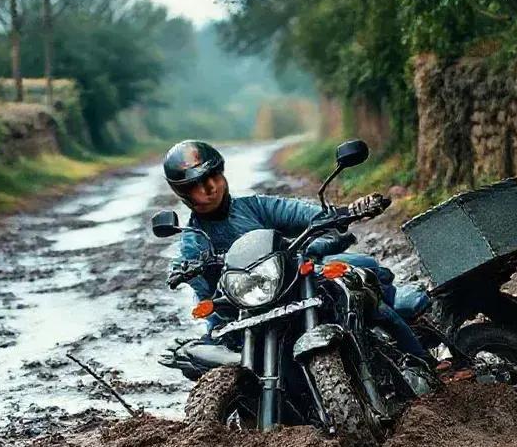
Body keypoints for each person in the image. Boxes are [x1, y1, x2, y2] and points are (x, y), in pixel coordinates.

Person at [162, 140, 430, 362]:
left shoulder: (254, 207)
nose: (209, 187)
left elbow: (302, 213)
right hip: (248, 310)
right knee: (208, 357)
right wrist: (182, 271)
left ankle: (425, 362)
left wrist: (345, 212)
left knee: (359, 275)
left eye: (212, 176)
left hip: (291, 287)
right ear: (184, 193)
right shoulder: (192, 241)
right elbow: (205, 297)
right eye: (197, 185)